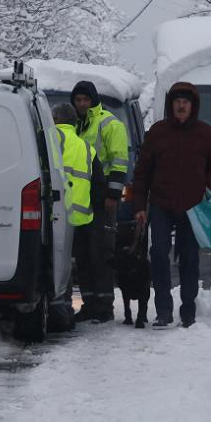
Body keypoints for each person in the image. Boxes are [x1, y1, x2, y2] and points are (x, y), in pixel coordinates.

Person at [132, 82, 211, 328]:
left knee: (189, 258)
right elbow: (142, 172)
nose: (181, 105)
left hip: (193, 206)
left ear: (193, 106)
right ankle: (164, 309)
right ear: (170, 105)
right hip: (161, 203)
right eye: (177, 101)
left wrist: (209, 186)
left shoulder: (205, 134)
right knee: (159, 253)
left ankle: (188, 310)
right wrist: (140, 206)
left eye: (186, 101)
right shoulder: (157, 133)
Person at [51, 103, 114, 324]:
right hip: (84, 215)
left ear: (55, 120)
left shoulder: (49, 140)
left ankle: (62, 307)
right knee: (90, 261)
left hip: (55, 214)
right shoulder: (87, 148)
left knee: (60, 262)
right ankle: (99, 306)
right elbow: (99, 184)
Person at [71, 81, 127, 321]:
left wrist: (113, 195)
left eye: (85, 99)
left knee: (101, 252)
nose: (82, 104)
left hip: (103, 198)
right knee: (82, 254)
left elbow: (119, 161)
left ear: (93, 100)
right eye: (78, 100)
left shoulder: (109, 123)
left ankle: (105, 305)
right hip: (82, 199)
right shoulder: (76, 125)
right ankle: (90, 302)